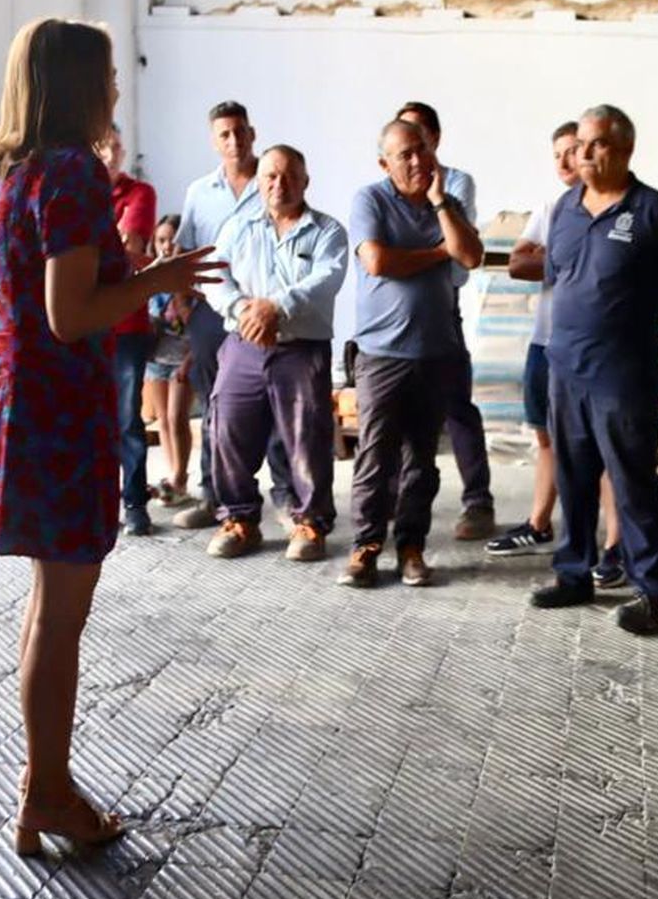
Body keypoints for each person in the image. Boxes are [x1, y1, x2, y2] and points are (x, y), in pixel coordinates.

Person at [0, 17, 221, 857]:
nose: (115, 89)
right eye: (108, 76)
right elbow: (70, 314)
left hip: (6, 398)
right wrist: (159, 278)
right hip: (56, 410)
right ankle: (50, 792)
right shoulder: (71, 172)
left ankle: (39, 785)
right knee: (62, 611)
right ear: (77, 84)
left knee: (48, 605)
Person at [529, 105, 658, 634]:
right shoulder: (564, 208)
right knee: (573, 476)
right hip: (565, 368)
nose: (583, 152)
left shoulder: (654, 213)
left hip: (624, 373)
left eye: (596, 143)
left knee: (632, 480)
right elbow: (557, 276)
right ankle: (573, 573)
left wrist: (628, 313)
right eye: (580, 142)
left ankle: (652, 591)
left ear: (625, 149)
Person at [338, 119, 484, 588]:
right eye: (406, 154)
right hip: (381, 354)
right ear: (385, 163)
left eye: (423, 149)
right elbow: (378, 261)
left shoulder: (448, 204)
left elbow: (471, 255)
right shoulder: (370, 200)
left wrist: (440, 203)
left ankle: (411, 547)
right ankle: (365, 547)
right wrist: (438, 253)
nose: (419, 160)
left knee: (421, 460)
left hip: (435, 352)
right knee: (375, 456)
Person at [484, 121, 623, 579]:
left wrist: (560, 259)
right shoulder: (554, 209)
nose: (565, 161)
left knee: (603, 447)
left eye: (573, 150)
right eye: (557, 154)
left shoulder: (622, 210)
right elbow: (518, 262)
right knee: (546, 437)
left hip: (597, 349)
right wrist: (574, 259)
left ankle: (615, 546)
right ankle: (539, 524)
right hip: (547, 343)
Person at [202, 145, 347, 562]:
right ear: (259, 182)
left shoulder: (327, 231)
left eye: (288, 176)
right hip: (243, 342)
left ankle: (310, 523)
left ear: (305, 181)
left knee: (307, 437)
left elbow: (326, 278)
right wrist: (244, 310)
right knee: (227, 430)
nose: (279, 184)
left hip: (301, 348)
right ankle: (239, 520)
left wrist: (275, 307)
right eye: (270, 176)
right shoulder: (238, 227)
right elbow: (214, 276)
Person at [170, 102, 297, 531]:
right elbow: (185, 252)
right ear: (214, 141)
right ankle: (215, 496)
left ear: (252, 133)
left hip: (267, 310)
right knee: (216, 406)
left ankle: (286, 496)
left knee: (276, 402)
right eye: (224, 134)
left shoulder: (274, 178)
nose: (234, 140)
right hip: (214, 311)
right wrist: (185, 306)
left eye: (240, 131)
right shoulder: (199, 192)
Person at [395, 100, 495, 540]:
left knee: (456, 405)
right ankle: (396, 499)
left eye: (419, 137)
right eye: (403, 139)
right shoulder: (382, 191)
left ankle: (478, 502)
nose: (413, 150)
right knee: (394, 410)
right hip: (398, 310)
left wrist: (408, 254)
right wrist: (433, 249)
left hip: (443, 304)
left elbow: (461, 255)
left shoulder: (456, 182)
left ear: (435, 138)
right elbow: (380, 255)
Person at [98, 123, 157, 536]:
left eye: (116, 147)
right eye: (102, 148)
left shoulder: (140, 193)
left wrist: (82, 254)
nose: (110, 155)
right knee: (87, 421)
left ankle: (135, 501)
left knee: (127, 419)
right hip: (82, 323)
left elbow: (130, 251)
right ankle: (97, 502)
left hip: (127, 324)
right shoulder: (74, 193)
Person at [144, 214, 197, 506]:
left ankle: (180, 477)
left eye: (172, 240)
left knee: (178, 418)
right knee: (163, 419)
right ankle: (173, 476)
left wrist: (190, 359)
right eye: (160, 240)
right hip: (156, 359)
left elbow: (202, 327)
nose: (166, 246)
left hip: (183, 358)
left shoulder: (193, 280)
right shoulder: (148, 278)